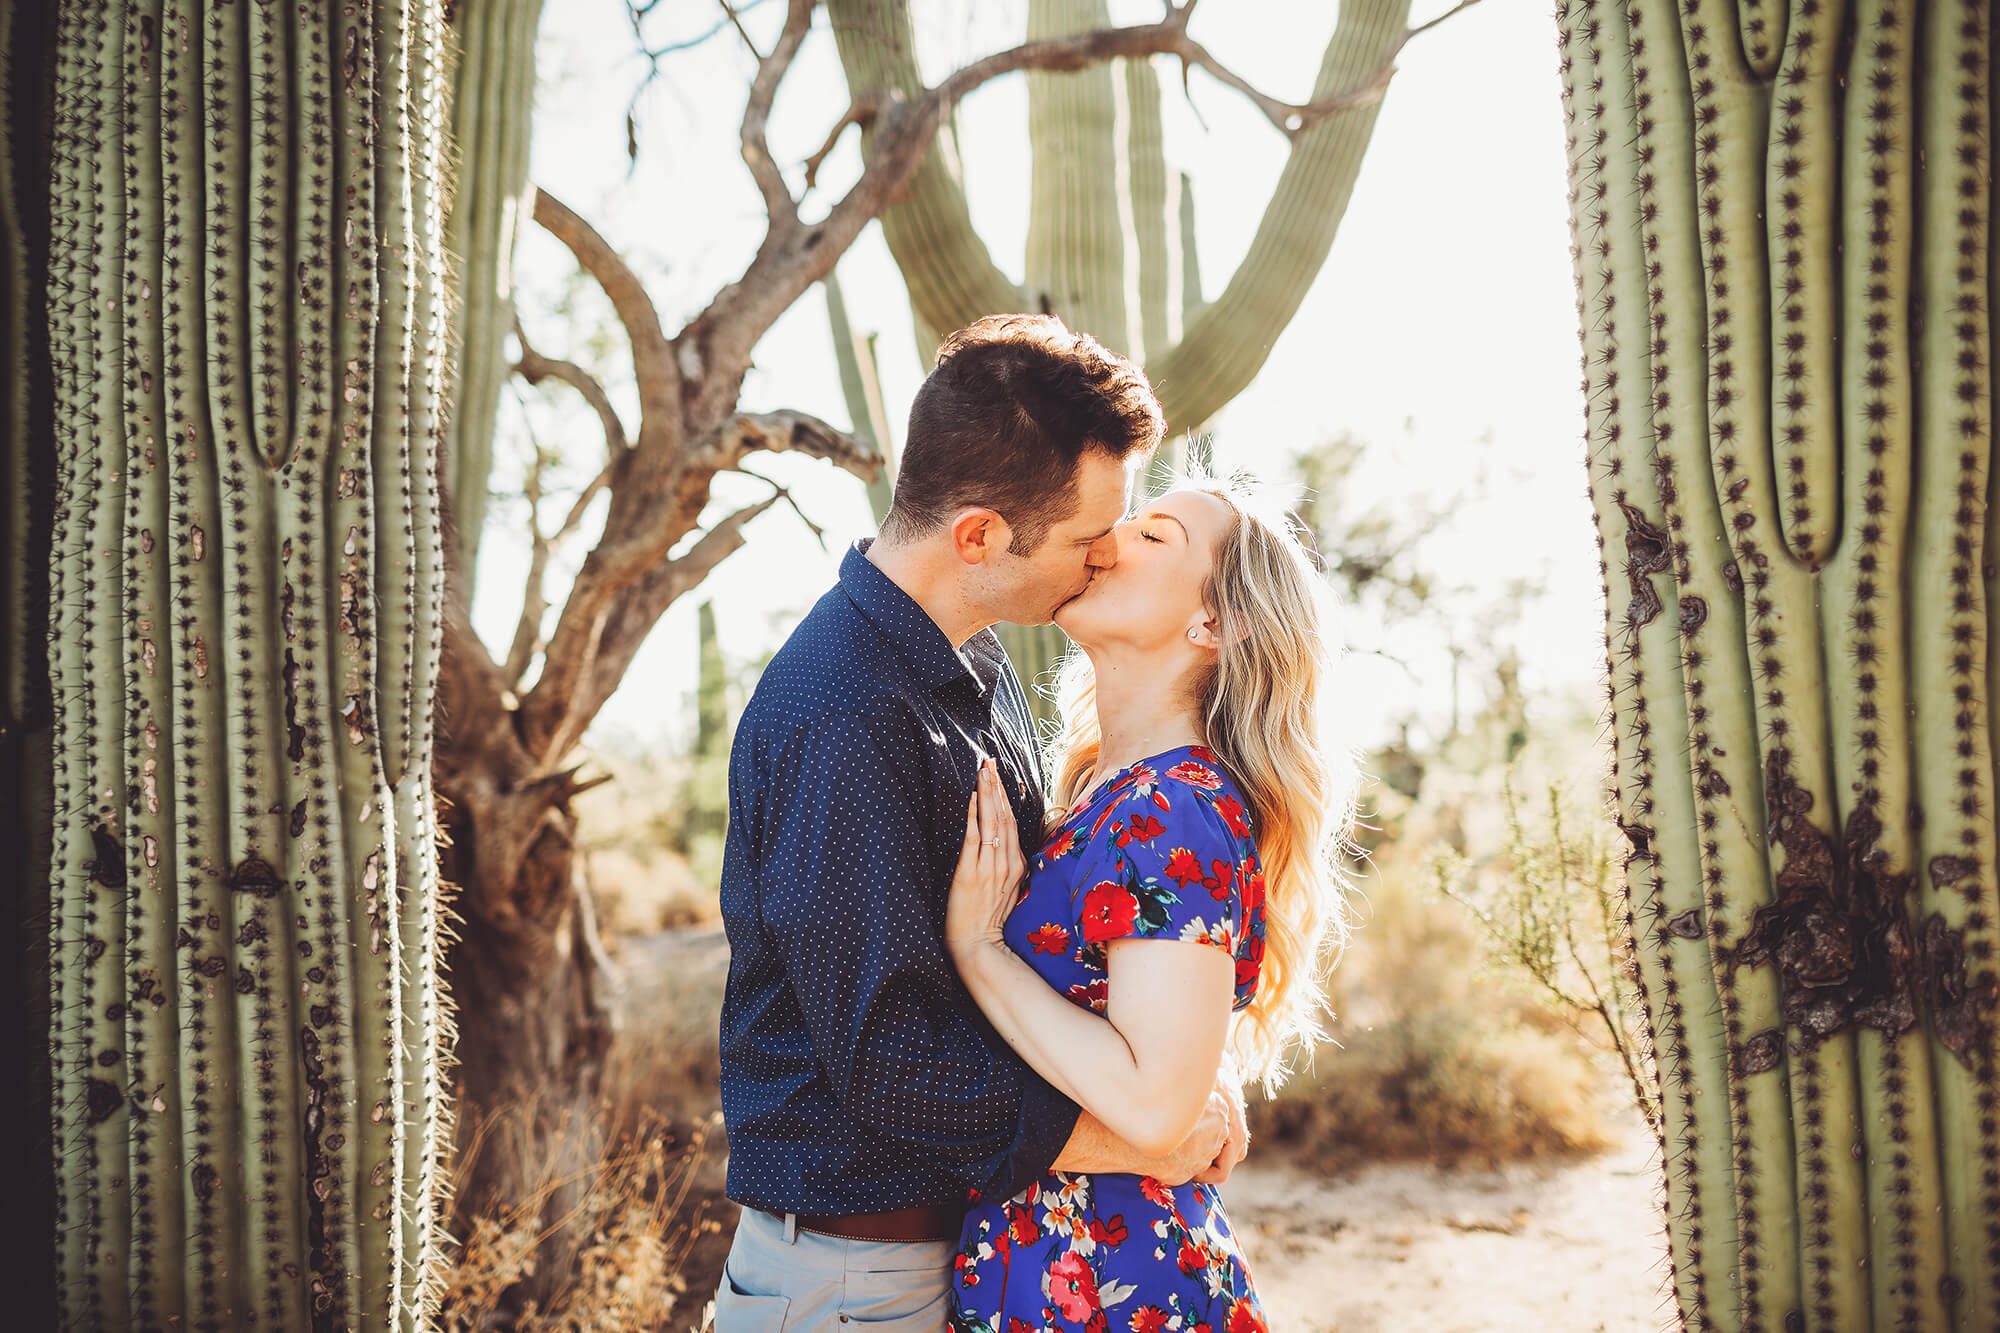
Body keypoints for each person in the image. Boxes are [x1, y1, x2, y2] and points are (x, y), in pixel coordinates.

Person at [713, 314, 1252, 1331]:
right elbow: (887, 1058)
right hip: (847, 1275)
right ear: (978, 537)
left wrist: (1174, 1066)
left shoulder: (974, 666)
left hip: (945, 1254)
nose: (1102, 562)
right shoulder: (842, 712)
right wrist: (1136, 1136)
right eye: (1088, 540)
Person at [942, 475, 1356, 1331]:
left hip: (1113, 1283)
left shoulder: (1178, 808)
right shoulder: (1111, 795)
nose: (1111, 537)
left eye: (1156, 534)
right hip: (1059, 1267)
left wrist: (980, 953)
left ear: (1217, 623)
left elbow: (1154, 1104)